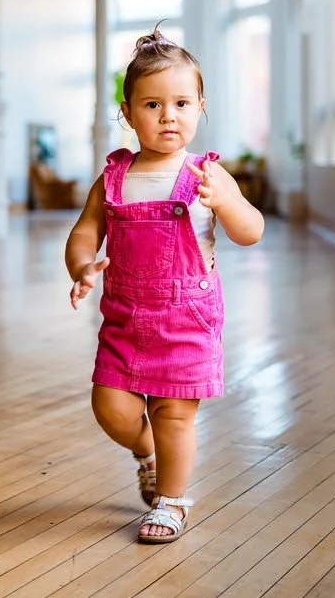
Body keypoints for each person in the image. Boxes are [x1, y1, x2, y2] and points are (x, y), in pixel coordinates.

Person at [65, 27, 264, 544]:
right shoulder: (113, 178)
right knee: (111, 407)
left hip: (187, 317)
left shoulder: (208, 176)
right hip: (125, 316)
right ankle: (146, 451)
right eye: (152, 104)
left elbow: (251, 231)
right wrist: (82, 265)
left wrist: (228, 203)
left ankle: (172, 500)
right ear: (128, 113)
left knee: (173, 412)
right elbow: (85, 232)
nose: (168, 115)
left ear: (200, 107)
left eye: (181, 103)